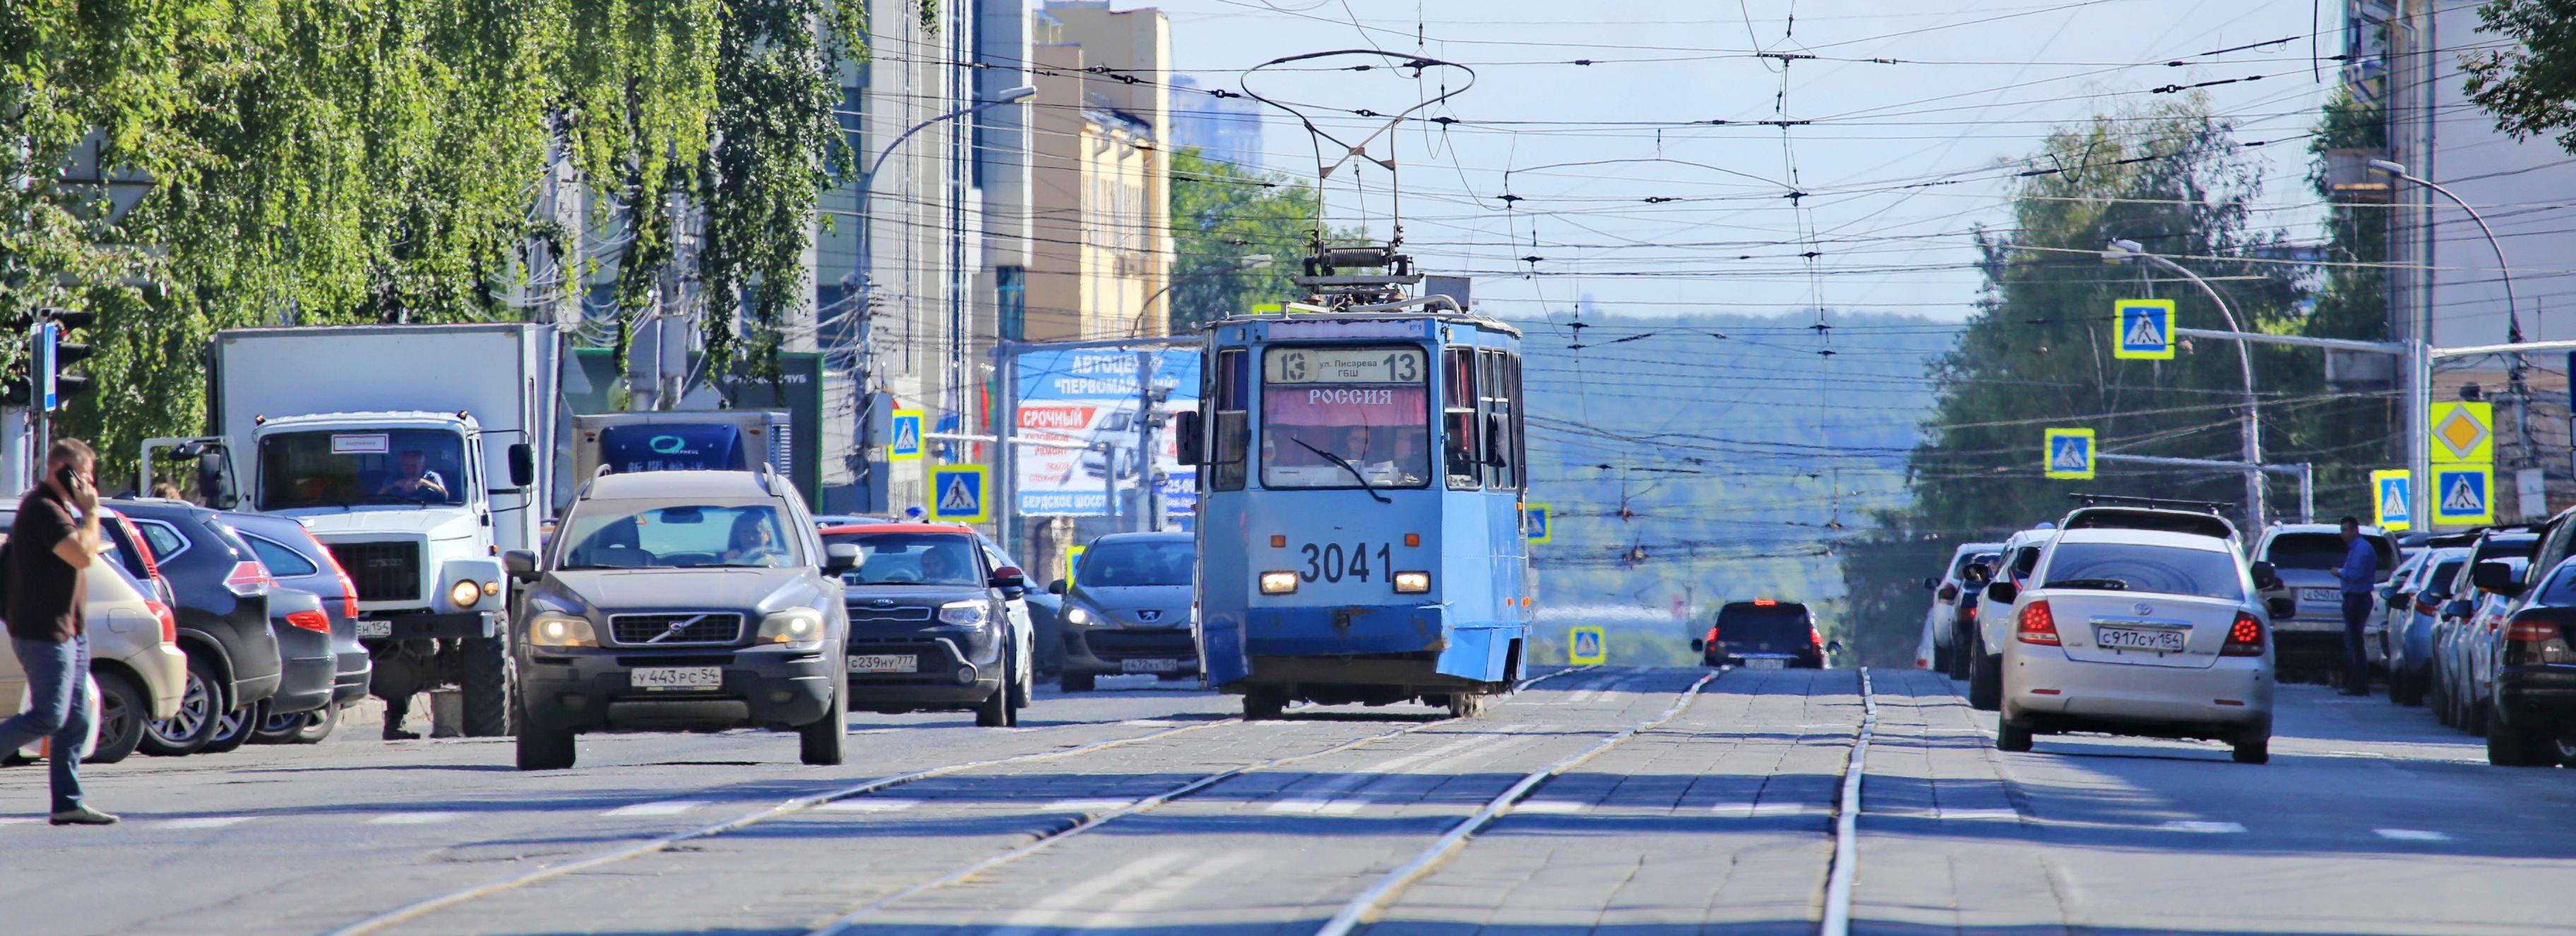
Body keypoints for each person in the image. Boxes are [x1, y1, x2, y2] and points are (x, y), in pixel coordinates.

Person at [0, 439, 117, 824]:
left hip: (71, 631)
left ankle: (68, 803)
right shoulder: (45, 510)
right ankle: (67, 801)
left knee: (76, 718)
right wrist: (92, 513)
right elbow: (82, 554)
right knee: (49, 716)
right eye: (84, 475)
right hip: (44, 631)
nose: (90, 484)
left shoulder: (57, 509)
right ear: (62, 471)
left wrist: (85, 519)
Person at [2337, 516, 2379, 697]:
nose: (2343, 534)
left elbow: (2355, 574)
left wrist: (2338, 572)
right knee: (2353, 642)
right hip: (2354, 598)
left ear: (2355, 529)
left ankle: (2359, 685)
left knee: (2355, 643)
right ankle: (2356, 683)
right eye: (2342, 530)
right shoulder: (2356, 548)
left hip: (2358, 598)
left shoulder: (2361, 549)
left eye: (2346, 530)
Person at [375, 450, 448, 501]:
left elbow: (445, 495)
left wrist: (424, 483)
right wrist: (395, 485)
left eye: (414, 466)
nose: (410, 470)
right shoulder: (394, 477)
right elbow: (378, 497)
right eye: (406, 466)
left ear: (422, 466)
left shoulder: (431, 477)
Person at [721, 513, 785, 566]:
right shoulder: (729, 564)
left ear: (767, 536)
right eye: (745, 533)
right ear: (738, 536)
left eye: (756, 533)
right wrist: (724, 563)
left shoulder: (780, 564)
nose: (751, 538)